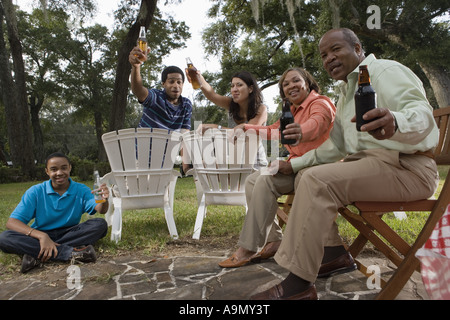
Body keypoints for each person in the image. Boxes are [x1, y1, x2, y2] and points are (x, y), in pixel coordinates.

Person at [250, 28, 439, 300]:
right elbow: (336, 146)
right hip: (372, 165)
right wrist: (293, 165)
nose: (329, 59)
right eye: (324, 55)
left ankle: (299, 285)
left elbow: (422, 114)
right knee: (307, 175)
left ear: (358, 47)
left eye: (336, 49)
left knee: (317, 180)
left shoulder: (385, 71)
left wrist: (396, 121)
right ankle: (334, 252)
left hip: (407, 169)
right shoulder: (346, 92)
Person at [218, 67, 336, 268]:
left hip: (319, 167)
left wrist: (299, 131)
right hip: (296, 166)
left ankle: (248, 247)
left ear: (307, 83)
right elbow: (274, 131)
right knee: (253, 180)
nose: (290, 86)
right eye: (285, 84)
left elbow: (317, 123)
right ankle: (274, 240)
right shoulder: (291, 110)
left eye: (295, 81)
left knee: (264, 180)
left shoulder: (320, 103)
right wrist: (247, 127)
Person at [0, 153, 109, 273]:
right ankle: (70, 253)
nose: (59, 173)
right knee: (4, 237)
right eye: (54, 169)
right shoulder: (35, 192)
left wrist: (104, 200)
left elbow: (101, 210)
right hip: (40, 235)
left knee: (100, 224)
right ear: (47, 171)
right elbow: (12, 222)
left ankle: (36, 255)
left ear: (70, 168)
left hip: (70, 233)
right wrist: (42, 236)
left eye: (64, 168)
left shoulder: (81, 190)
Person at [129, 46, 193, 173]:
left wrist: (187, 165)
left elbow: (184, 135)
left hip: (164, 162)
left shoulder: (186, 104)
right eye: (171, 81)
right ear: (163, 84)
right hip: (139, 158)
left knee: (161, 193)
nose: (176, 85)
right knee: (133, 192)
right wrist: (136, 67)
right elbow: (138, 90)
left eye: (179, 82)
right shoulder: (155, 97)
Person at [188, 70, 269, 169]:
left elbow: (244, 132)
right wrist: (199, 78)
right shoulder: (232, 105)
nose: (234, 89)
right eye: (232, 86)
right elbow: (212, 95)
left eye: (239, 85)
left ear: (250, 89)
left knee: (207, 165)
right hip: (236, 160)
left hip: (255, 164)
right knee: (203, 165)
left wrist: (216, 127)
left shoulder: (261, 109)